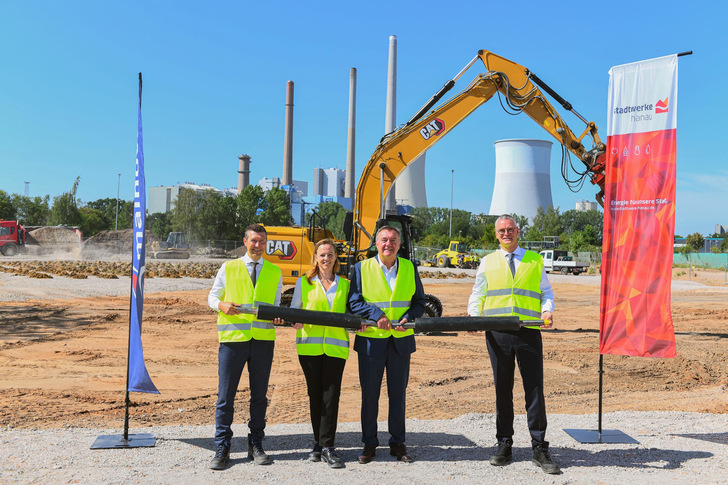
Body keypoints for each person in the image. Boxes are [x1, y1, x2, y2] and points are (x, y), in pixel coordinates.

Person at [467, 214, 560, 475]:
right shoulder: (487, 262)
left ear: (517, 231)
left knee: (534, 390)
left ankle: (539, 447)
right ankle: (504, 444)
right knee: (502, 389)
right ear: (496, 234)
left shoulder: (534, 259)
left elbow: (546, 292)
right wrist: (474, 317)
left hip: (529, 331)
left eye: (510, 229)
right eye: (501, 231)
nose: (506, 234)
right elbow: (478, 292)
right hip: (497, 333)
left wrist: (546, 311)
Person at [348, 225, 426, 464]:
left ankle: (398, 443)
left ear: (399, 244)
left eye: (393, 240)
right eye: (384, 240)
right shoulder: (361, 268)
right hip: (372, 342)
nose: (388, 244)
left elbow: (419, 301)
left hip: (400, 342)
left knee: (398, 395)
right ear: (376, 243)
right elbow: (353, 301)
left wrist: (409, 319)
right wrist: (377, 314)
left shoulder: (410, 268)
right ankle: (369, 444)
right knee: (370, 395)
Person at [207, 224, 283, 470]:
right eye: (254, 241)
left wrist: (278, 317)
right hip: (233, 341)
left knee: (259, 396)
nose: (258, 245)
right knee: (225, 396)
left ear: (266, 243)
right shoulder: (228, 267)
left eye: (262, 241)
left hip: (262, 341)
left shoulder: (274, 271)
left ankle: (256, 443)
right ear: (245, 241)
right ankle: (222, 446)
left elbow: (276, 305)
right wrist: (221, 305)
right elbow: (212, 297)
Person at [290, 238, 351, 469]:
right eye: (322, 255)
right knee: (315, 395)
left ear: (336, 258)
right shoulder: (304, 283)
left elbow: (350, 312)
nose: (326, 259)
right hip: (310, 348)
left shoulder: (344, 285)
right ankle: (317, 442)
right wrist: (294, 320)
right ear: (315, 257)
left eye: (330, 255)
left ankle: (327, 446)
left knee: (331, 397)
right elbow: (295, 310)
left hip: (336, 348)